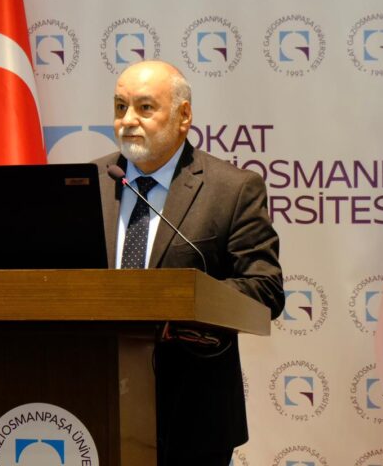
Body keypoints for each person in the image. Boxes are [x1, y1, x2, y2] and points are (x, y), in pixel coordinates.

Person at [94, 60, 284, 466]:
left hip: (193, 414)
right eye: (120, 107)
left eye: (145, 107)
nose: (128, 120)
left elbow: (265, 289)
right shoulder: (88, 181)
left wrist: (180, 301)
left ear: (183, 116)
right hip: (94, 402)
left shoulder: (232, 189)